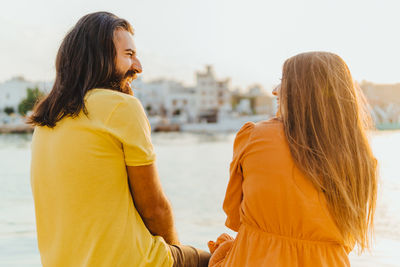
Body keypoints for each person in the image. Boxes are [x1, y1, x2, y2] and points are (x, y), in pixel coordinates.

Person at [29, 12, 210, 267]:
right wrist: (174, 254)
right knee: (220, 259)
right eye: (128, 55)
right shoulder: (121, 107)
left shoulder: (46, 119)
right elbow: (154, 208)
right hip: (130, 261)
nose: (138, 66)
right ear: (99, 58)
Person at [208, 51, 378, 266]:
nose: (274, 91)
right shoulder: (362, 160)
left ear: (302, 92)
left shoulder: (255, 137)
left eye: (283, 81)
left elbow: (234, 216)